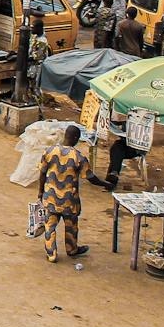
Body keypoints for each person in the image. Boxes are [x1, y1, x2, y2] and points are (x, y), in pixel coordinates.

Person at [35, 123, 91, 263]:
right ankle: (72, 249)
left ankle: (51, 254)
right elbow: (90, 177)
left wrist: (41, 192)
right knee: (71, 225)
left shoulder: (49, 151)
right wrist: (105, 183)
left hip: (51, 197)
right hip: (69, 200)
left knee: (50, 225)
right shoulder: (78, 157)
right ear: (76, 138)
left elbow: (42, 173)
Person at [87, 104, 150, 193]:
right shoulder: (126, 114)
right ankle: (113, 174)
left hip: (137, 148)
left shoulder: (145, 117)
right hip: (125, 145)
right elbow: (116, 123)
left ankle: (112, 177)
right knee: (116, 148)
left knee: (117, 151)